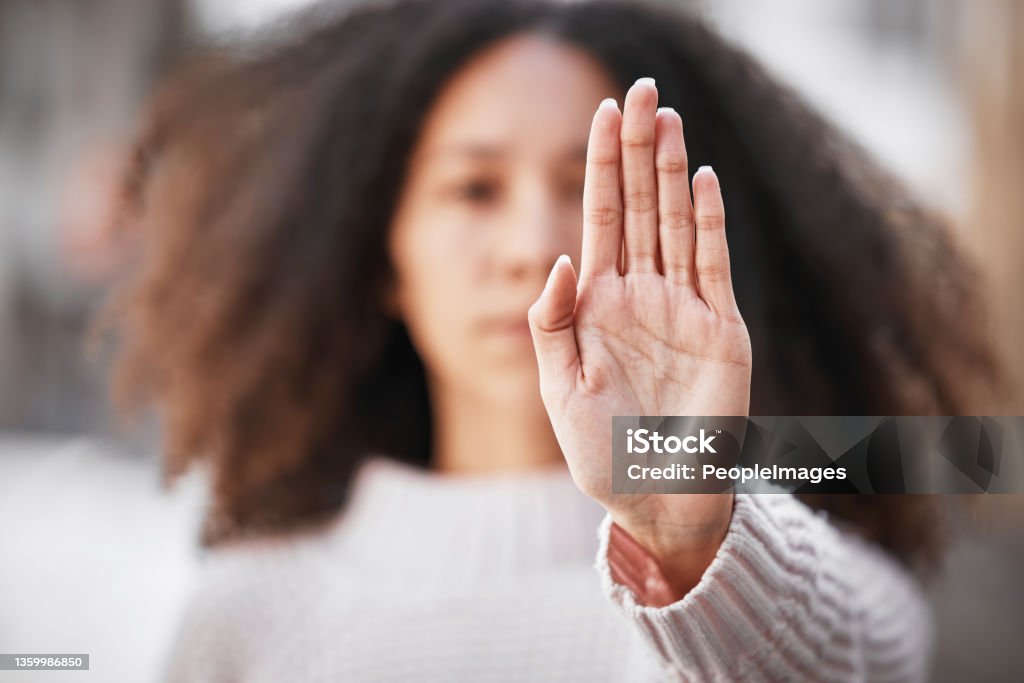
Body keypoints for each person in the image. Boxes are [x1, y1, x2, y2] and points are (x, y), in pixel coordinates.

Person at [106, 0, 1003, 680]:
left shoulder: (800, 581)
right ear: (383, 256)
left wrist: (684, 514)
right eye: (474, 190)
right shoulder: (245, 618)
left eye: (584, 186)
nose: (534, 245)